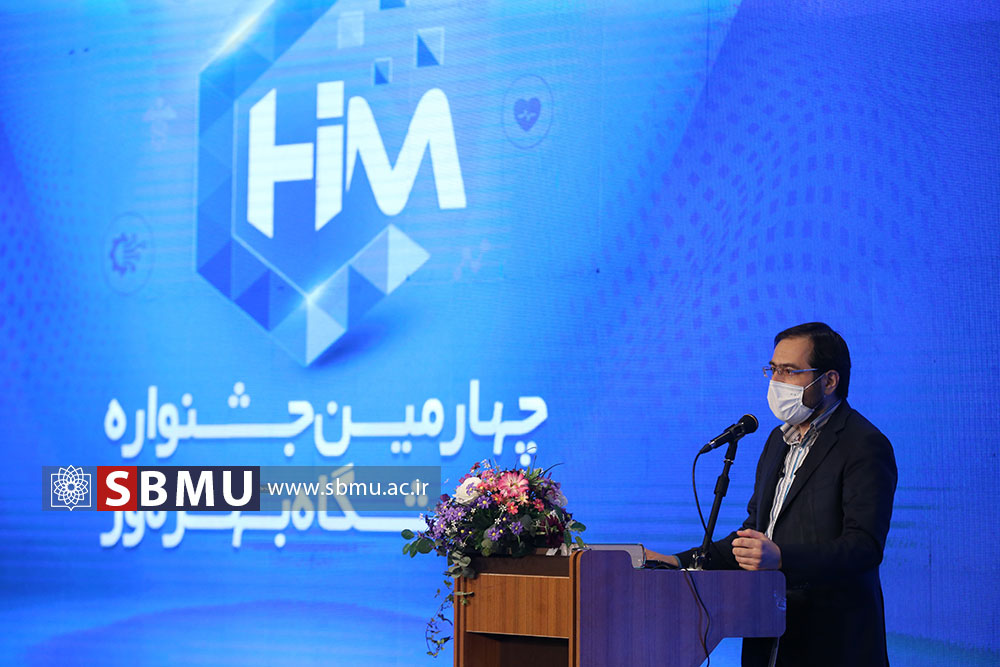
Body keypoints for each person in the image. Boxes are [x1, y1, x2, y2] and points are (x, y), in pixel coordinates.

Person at [647, 322, 897, 666]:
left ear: (829, 381)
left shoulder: (864, 445)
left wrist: (781, 559)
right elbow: (754, 537)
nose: (777, 381)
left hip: (832, 644)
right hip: (768, 635)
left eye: (790, 371)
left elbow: (864, 548)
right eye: (774, 369)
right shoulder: (777, 441)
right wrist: (676, 562)